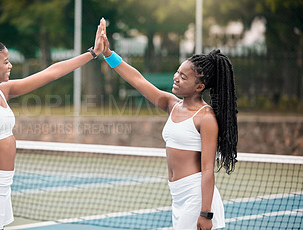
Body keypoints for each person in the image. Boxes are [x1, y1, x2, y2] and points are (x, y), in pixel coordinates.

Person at [0, 19, 106, 230]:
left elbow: (51, 72)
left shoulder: (3, 91)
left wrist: (93, 53)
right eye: (6, 61)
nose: (10, 65)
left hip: (3, 186)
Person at [100, 19, 237, 230]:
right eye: (177, 72)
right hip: (177, 195)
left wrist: (206, 213)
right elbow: (138, 81)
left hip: (196, 197)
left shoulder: (206, 117)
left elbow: (208, 169)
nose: (176, 78)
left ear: (200, 86)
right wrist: (108, 53)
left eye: (183, 77)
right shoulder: (171, 104)